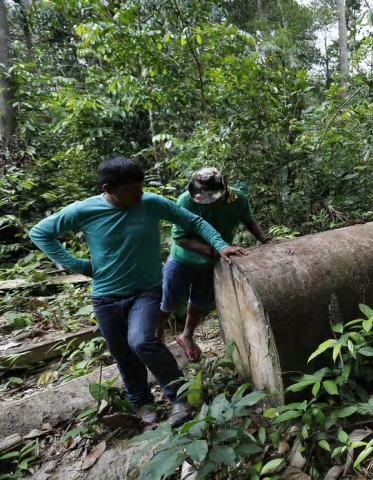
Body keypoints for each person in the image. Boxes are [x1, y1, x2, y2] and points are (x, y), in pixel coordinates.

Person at [28, 157, 248, 426]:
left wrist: (220, 244)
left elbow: (195, 222)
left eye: (141, 188)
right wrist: (78, 265)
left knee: (142, 341)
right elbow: (40, 233)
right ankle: (142, 402)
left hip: (146, 290)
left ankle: (178, 397)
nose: (140, 194)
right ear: (108, 188)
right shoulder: (84, 210)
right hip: (105, 296)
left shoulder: (151, 203)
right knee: (122, 353)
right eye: (133, 191)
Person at [159, 167, 268, 361]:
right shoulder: (186, 200)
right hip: (183, 259)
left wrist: (264, 240)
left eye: (215, 198)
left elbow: (248, 220)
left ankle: (187, 336)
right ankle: (157, 338)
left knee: (200, 301)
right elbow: (180, 238)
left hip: (212, 262)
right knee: (168, 299)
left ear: (224, 189)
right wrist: (210, 249)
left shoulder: (238, 198)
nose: (211, 203)